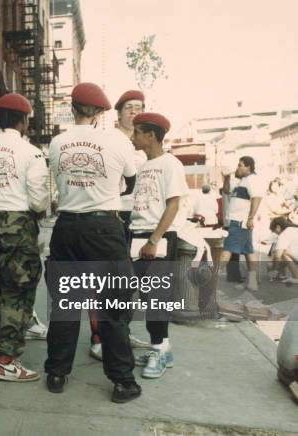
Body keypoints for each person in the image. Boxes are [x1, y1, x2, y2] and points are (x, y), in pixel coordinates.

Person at [44, 83, 141, 402]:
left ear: (73, 109)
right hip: (103, 228)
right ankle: (122, 381)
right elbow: (130, 180)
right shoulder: (116, 140)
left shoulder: (57, 143)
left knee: (66, 305)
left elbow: (58, 179)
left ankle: (57, 372)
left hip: (67, 226)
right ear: (101, 113)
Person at [0, 93, 49, 382]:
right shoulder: (31, 152)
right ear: (24, 120)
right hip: (18, 224)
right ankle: (5, 359)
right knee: (19, 290)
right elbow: (40, 201)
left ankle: (1, 340)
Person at [89, 90, 149, 361]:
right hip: (113, 216)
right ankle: (99, 337)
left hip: (139, 219)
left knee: (127, 283)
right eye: (129, 107)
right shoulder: (110, 140)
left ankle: (121, 332)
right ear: (119, 112)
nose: (134, 111)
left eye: (139, 107)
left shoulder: (146, 143)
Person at [130, 112, 188, 380]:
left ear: (150, 135)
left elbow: (173, 205)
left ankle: (159, 351)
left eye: (137, 132)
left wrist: (154, 239)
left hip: (158, 238)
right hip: (138, 235)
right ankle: (163, 348)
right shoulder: (143, 166)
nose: (133, 137)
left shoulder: (170, 164)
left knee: (155, 298)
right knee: (146, 297)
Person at [218, 156, 264, 292]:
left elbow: (257, 198)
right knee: (248, 251)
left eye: (240, 165)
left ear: (248, 167)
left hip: (239, 222)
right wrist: (226, 178)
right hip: (240, 222)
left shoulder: (252, 180)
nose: (237, 168)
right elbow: (226, 191)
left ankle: (212, 281)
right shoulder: (242, 181)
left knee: (227, 249)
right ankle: (252, 282)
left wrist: (250, 218)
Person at [270, 217, 298, 284]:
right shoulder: (294, 228)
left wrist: (274, 269)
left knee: (284, 253)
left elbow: (277, 256)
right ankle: (282, 274)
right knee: (285, 252)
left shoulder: (284, 234)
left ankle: (296, 277)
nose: (275, 233)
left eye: (274, 231)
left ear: (278, 227)